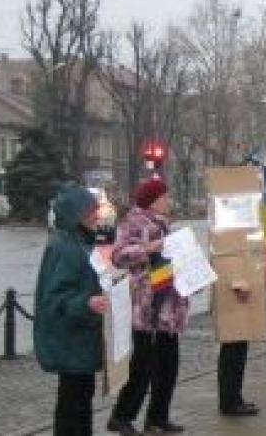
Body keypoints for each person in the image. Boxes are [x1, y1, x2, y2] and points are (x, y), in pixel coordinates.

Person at [107, 178, 189, 436]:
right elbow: (118, 256)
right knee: (142, 366)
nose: (168, 201)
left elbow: (171, 261)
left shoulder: (165, 225)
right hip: (147, 306)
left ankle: (158, 417)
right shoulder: (133, 222)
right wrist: (148, 248)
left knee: (168, 365)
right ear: (152, 200)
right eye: (164, 197)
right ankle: (121, 416)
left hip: (169, 307)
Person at [34, 183, 109, 436]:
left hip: (82, 339)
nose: (97, 216)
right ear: (76, 215)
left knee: (80, 400)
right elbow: (54, 300)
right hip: (71, 341)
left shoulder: (82, 242)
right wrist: (86, 303)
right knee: (72, 403)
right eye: (91, 212)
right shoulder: (64, 248)